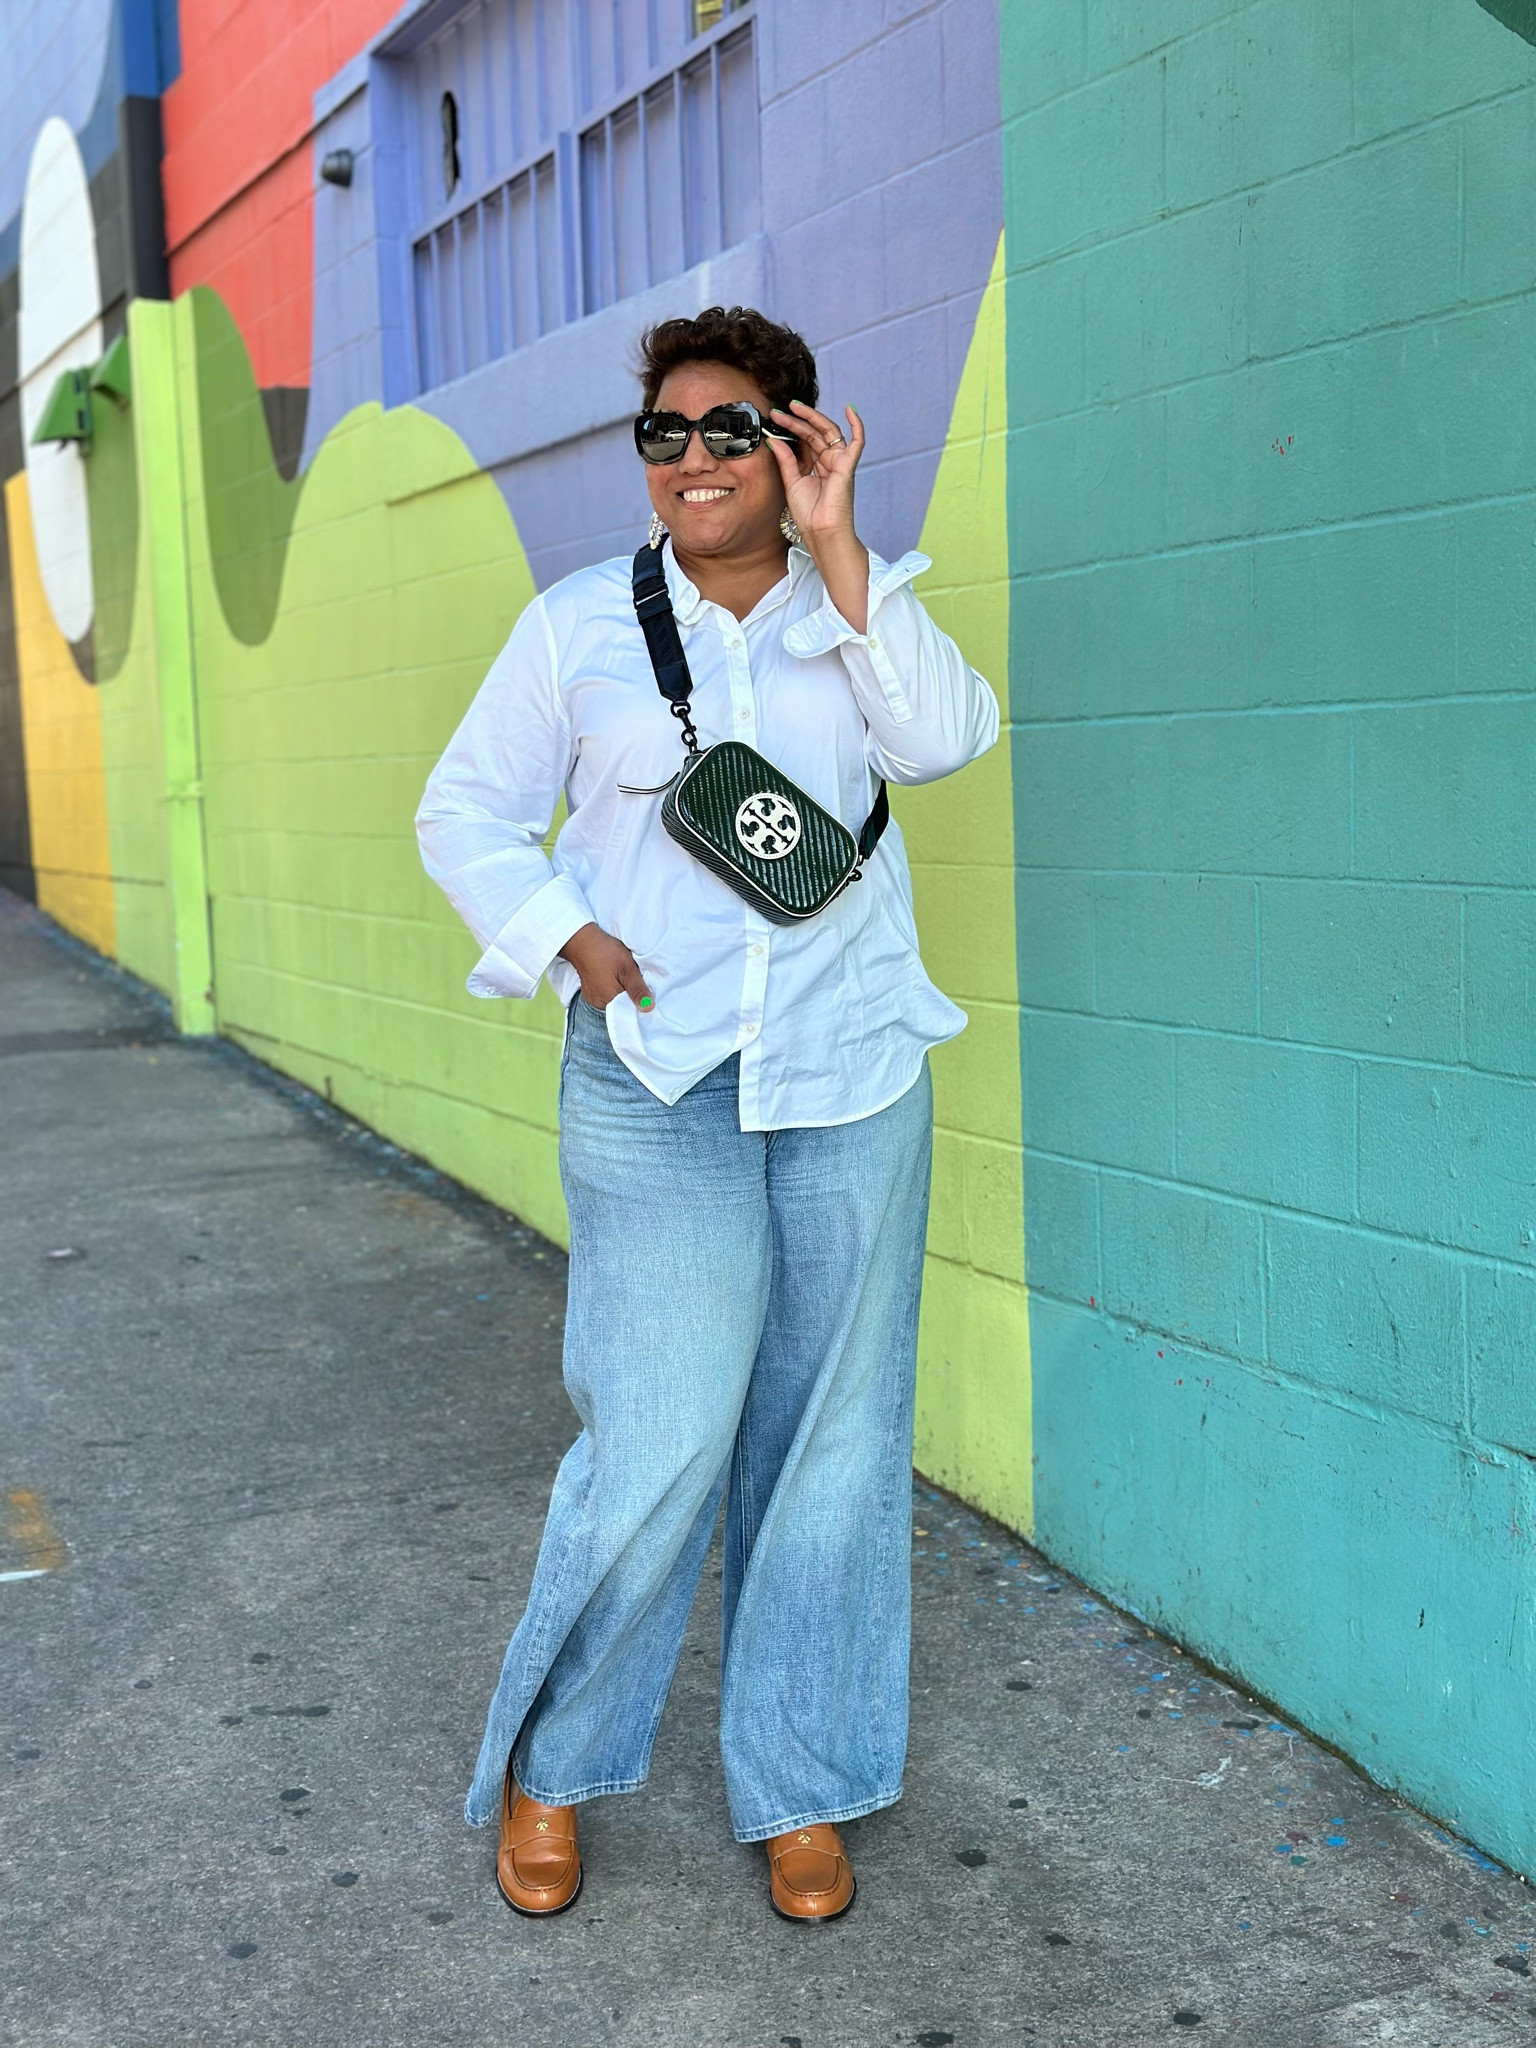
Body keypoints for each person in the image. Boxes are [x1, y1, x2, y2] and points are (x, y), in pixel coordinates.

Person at [416, 305, 998, 1924]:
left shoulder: (862, 610)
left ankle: (802, 1783)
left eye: (726, 428)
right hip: (654, 1077)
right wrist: (566, 942)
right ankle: (558, 1764)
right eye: (661, 435)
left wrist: (845, 548)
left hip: (852, 1070)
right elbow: (462, 810)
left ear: (795, 439)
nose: (688, 459)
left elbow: (948, 742)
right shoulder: (577, 627)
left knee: (832, 1445)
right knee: (658, 1435)